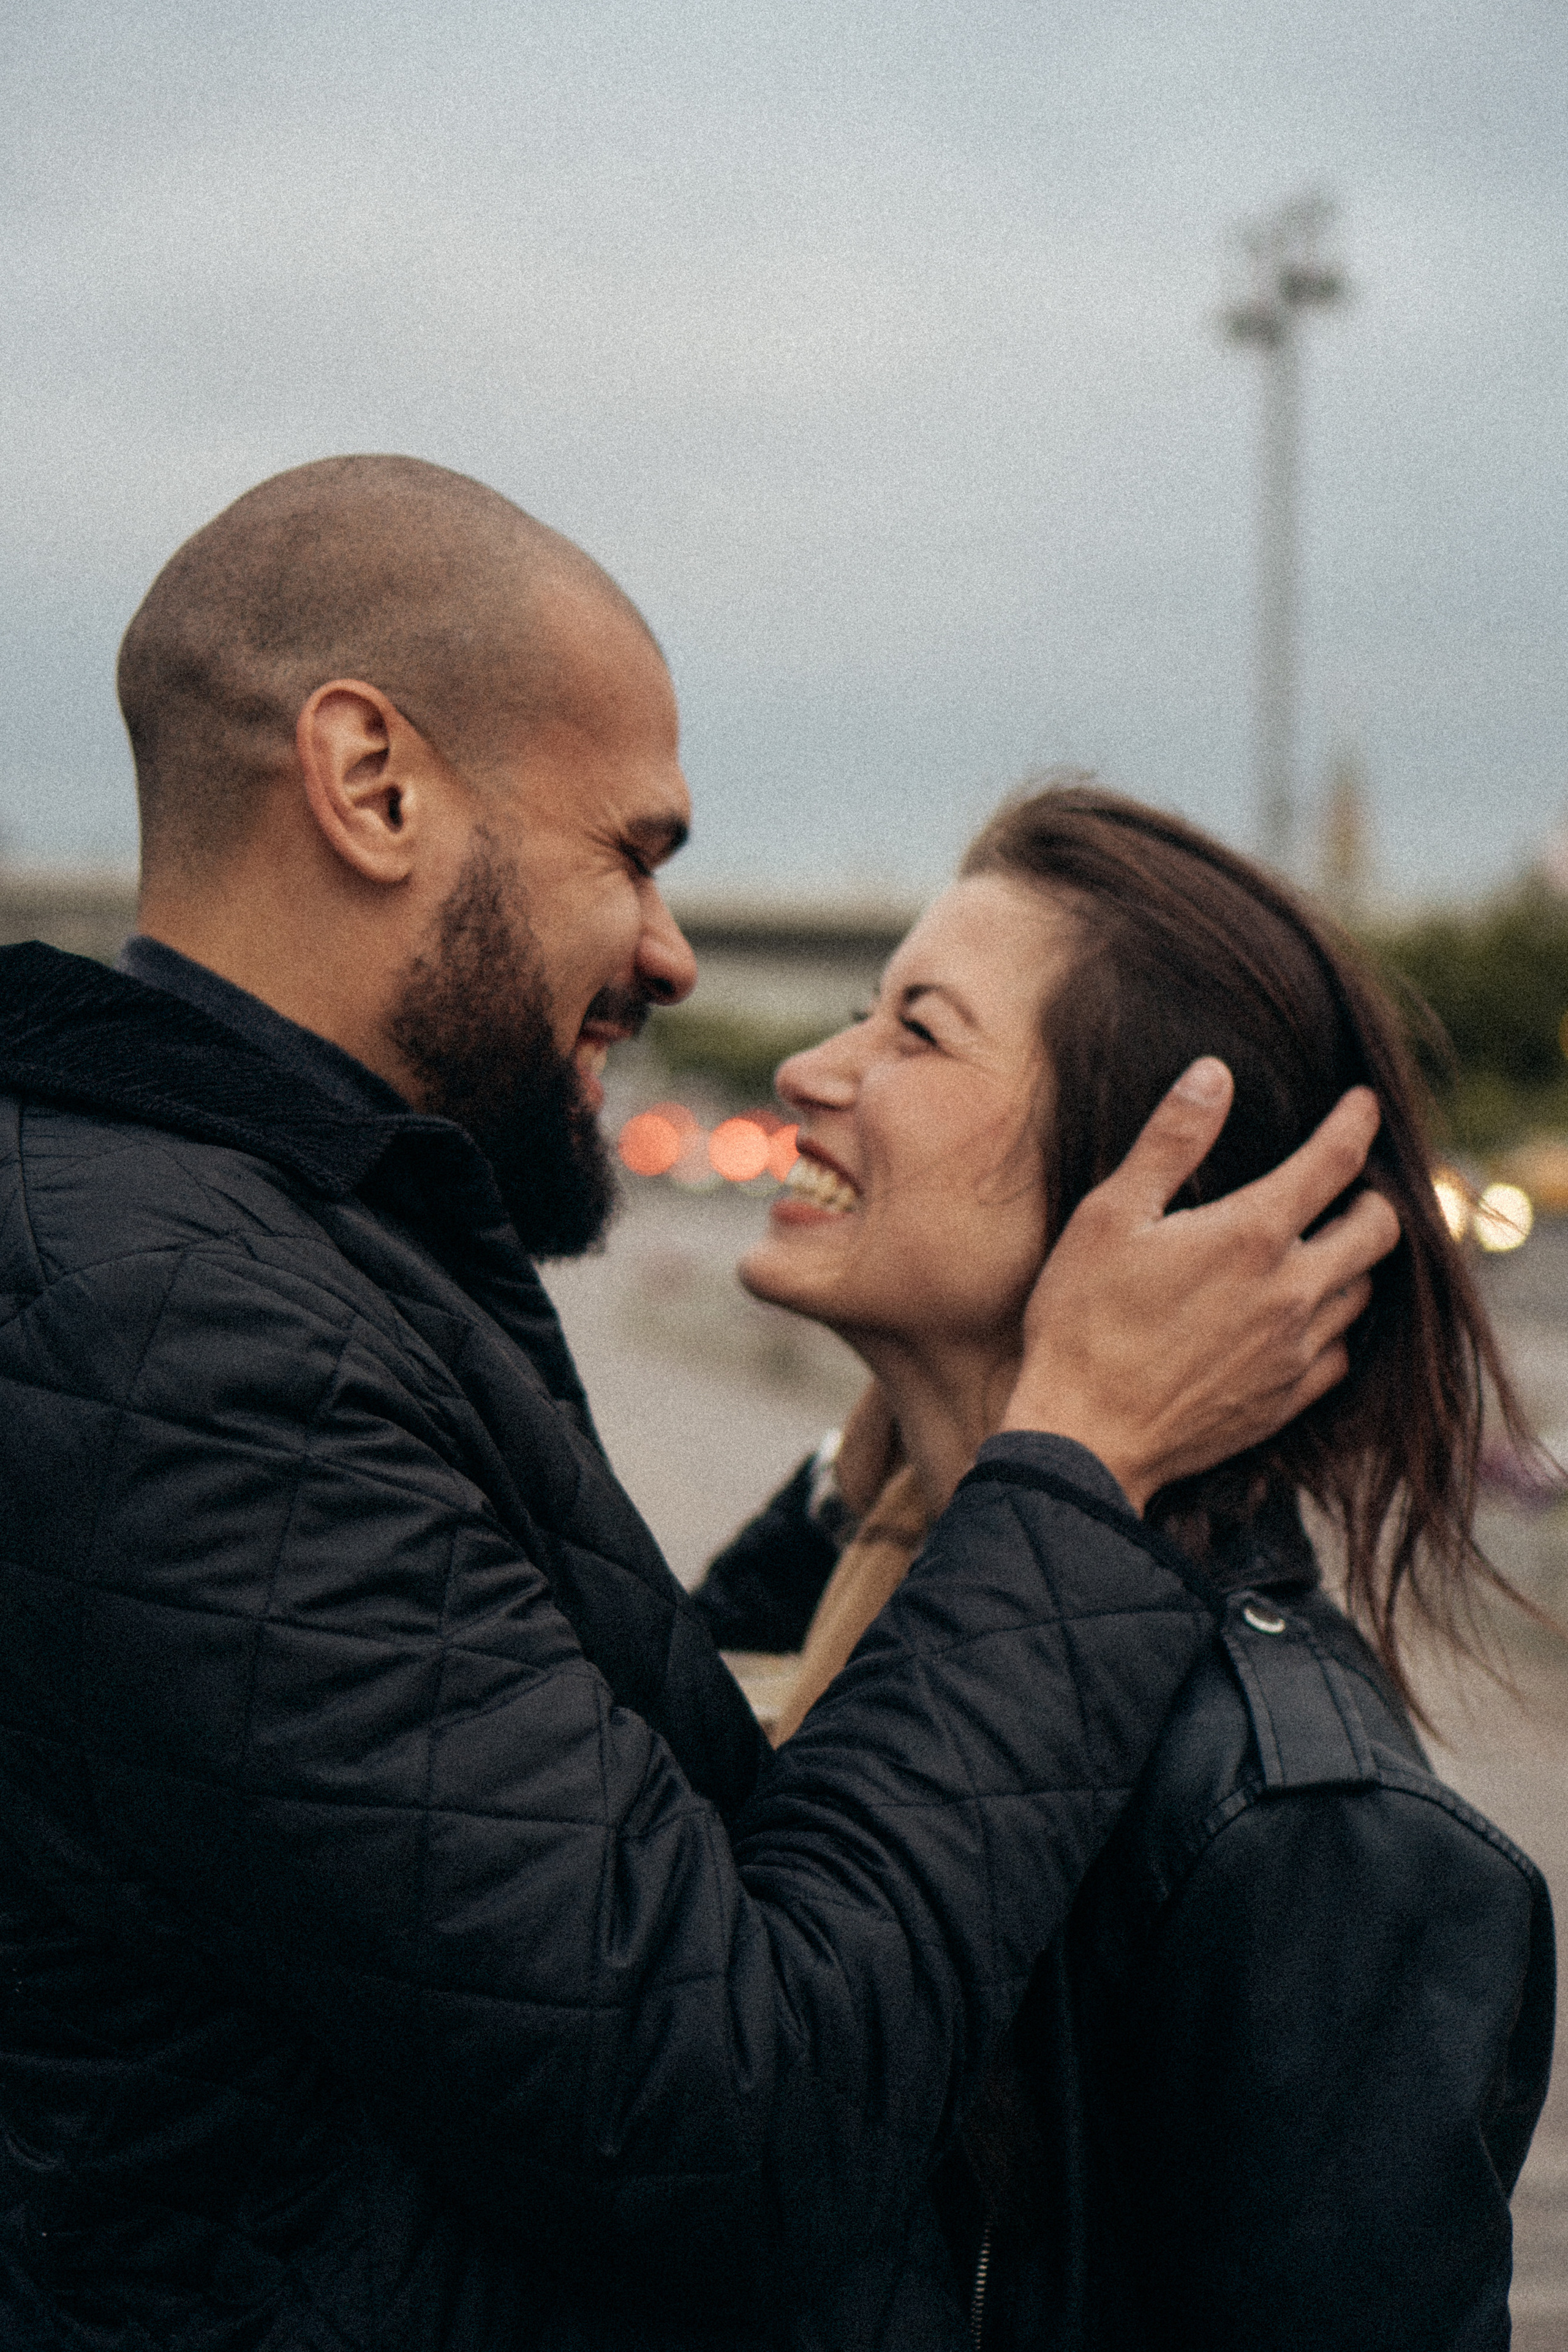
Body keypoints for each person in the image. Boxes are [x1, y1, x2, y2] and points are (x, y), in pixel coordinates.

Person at [0, 459, 1401, 2352]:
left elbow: (545, 1748)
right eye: (635, 852)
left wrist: (904, 1489)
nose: (674, 956)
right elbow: (719, 2114)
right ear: (372, 783)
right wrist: (1072, 1469)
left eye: (918, 1029)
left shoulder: (235, 1240)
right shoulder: (185, 1323)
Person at [696, 782, 1556, 2350]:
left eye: (916, 1032)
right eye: (854, 1012)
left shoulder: (1305, 1835)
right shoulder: (873, 1589)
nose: (809, 1069)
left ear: (1146, 1199)